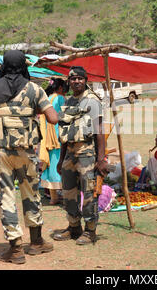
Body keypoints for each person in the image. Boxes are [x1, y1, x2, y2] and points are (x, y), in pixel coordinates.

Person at [0, 50, 59, 265]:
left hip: (0, 153)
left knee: (6, 197)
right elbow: (53, 118)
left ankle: (15, 249)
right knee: (31, 194)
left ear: (4, 65)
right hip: (27, 151)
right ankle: (36, 242)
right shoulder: (35, 89)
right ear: (23, 65)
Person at [52, 66, 108, 245]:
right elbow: (64, 133)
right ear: (69, 81)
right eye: (73, 78)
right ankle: (74, 227)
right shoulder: (68, 102)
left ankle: (90, 231)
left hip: (87, 154)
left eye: (80, 79)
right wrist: (61, 160)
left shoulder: (92, 101)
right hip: (69, 154)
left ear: (86, 80)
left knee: (89, 193)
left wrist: (101, 159)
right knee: (68, 191)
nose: (76, 81)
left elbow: (99, 131)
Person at [39, 78, 67, 205]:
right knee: (59, 166)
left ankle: (54, 197)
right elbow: (65, 116)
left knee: (50, 167)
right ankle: (64, 196)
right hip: (57, 138)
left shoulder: (47, 98)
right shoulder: (60, 98)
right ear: (60, 88)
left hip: (47, 137)